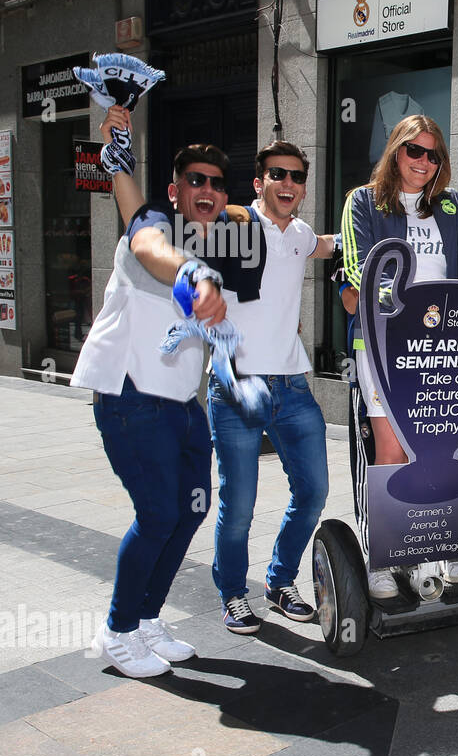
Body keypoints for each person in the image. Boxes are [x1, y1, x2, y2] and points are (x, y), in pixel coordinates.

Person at [72, 106, 227, 676]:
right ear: (175, 190)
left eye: (215, 183)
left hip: (184, 405)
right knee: (159, 513)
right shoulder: (154, 226)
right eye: (195, 181)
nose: (206, 190)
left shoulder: (213, 246)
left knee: (191, 510)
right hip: (131, 399)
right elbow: (151, 252)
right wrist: (196, 277)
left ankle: (146, 619)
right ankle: (117, 631)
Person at [339, 115, 458, 597]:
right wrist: (406, 313)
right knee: (390, 451)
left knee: (440, 449)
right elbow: (357, 274)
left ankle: (434, 543)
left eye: (433, 155)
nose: (423, 162)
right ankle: (384, 555)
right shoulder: (364, 201)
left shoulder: (453, 206)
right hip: (385, 347)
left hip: (444, 349)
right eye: (414, 151)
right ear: (395, 151)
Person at [207, 141, 338, 634]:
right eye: (278, 175)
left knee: (314, 490)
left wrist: (377, 231)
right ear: (259, 182)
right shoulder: (234, 226)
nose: (289, 183)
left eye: (297, 176)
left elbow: (326, 243)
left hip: (292, 384)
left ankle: (280, 581)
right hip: (236, 385)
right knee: (238, 503)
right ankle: (233, 594)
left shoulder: (300, 233)